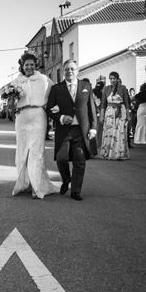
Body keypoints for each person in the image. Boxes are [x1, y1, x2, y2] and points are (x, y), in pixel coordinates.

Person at [10, 52, 59, 199]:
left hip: (38, 117)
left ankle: (37, 186)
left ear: (36, 65)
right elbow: (11, 104)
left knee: (36, 153)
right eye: (26, 65)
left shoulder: (44, 80)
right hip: (22, 119)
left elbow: (54, 95)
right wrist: (11, 101)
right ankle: (24, 183)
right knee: (22, 152)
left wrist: (56, 112)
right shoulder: (16, 82)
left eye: (32, 64)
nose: (29, 67)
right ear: (22, 66)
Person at [46, 59, 97, 201]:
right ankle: (66, 179)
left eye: (72, 69)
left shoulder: (86, 86)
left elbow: (92, 109)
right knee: (61, 157)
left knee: (79, 160)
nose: (69, 71)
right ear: (63, 72)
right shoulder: (56, 88)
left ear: (77, 71)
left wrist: (93, 127)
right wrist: (61, 117)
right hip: (64, 130)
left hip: (81, 130)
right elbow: (49, 109)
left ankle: (76, 191)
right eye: (67, 69)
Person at [100, 72, 131, 160]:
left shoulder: (123, 88)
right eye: (111, 78)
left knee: (119, 132)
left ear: (117, 79)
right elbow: (103, 103)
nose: (112, 80)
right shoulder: (106, 89)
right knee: (109, 131)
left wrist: (128, 115)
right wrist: (102, 116)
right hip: (109, 112)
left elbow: (126, 102)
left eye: (114, 78)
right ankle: (107, 152)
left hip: (121, 111)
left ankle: (119, 153)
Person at [92, 80, 105, 157]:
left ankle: (97, 145)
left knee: (96, 130)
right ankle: (98, 145)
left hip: (94, 114)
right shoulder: (100, 95)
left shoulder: (92, 92)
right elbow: (98, 105)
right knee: (99, 130)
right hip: (98, 114)